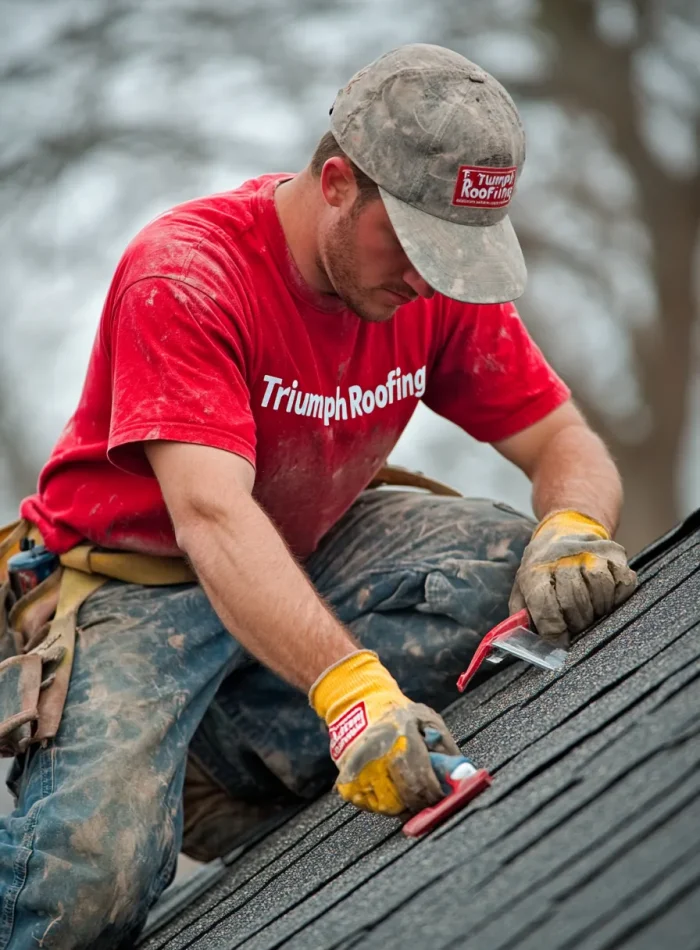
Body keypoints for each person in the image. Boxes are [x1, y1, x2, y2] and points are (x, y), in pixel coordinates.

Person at [0, 43, 637, 949]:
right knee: (79, 902)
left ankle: (229, 756)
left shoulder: (430, 284)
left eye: (457, 254)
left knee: (519, 580)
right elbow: (214, 517)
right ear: (338, 182)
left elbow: (564, 440)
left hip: (311, 548)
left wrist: (574, 523)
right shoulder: (186, 275)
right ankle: (186, 759)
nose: (429, 277)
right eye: (417, 244)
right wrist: (350, 695)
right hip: (140, 588)